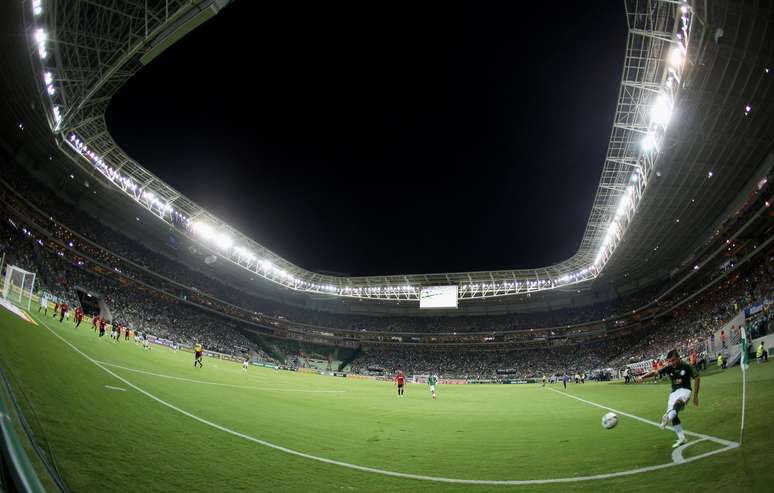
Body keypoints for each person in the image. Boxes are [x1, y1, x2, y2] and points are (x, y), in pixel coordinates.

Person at [636, 349, 700, 448]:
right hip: (673, 394)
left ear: (679, 358)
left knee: (677, 405)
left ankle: (667, 417)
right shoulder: (669, 367)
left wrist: (695, 395)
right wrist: (642, 377)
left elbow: (697, 377)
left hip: (685, 390)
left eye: (673, 360)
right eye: (670, 361)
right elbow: (655, 372)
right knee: (674, 415)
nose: (672, 363)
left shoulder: (687, 366)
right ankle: (681, 437)